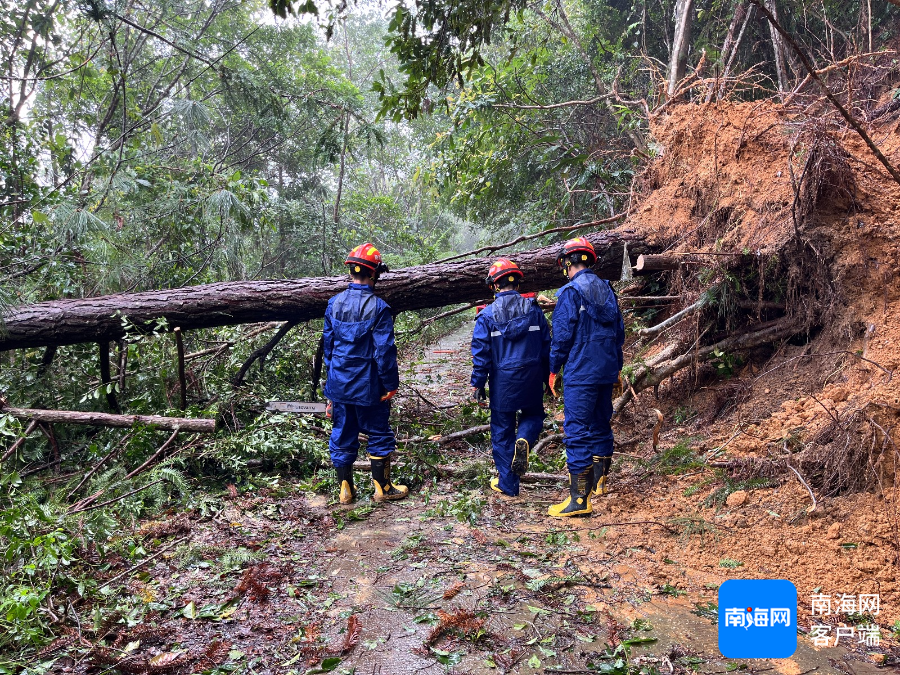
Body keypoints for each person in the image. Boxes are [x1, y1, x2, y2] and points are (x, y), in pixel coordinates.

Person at [323, 243, 408, 505]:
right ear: (375, 273)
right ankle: (382, 488)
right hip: (369, 386)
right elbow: (384, 351)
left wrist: (331, 389)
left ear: (351, 271)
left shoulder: (333, 304)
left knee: (342, 433)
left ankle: (345, 491)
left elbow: (329, 349)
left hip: (340, 384)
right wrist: (390, 384)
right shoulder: (380, 308)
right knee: (379, 432)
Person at [547, 237, 624, 517]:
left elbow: (562, 337)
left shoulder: (570, 292)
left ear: (568, 263)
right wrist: (617, 366)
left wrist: (553, 369)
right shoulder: (606, 289)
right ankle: (600, 483)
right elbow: (619, 333)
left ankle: (579, 499)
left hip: (581, 370)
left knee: (577, 429)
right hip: (605, 369)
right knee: (601, 422)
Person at [470, 258, 551, 498]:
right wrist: (548, 377)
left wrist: (477, 382)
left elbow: (481, 352)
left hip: (503, 383)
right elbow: (547, 346)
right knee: (534, 415)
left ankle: (508, 484)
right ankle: (524, 438)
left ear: (494, 286)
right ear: (517, 283)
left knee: (502, 431)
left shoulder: (486, 316)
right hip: (532, 377)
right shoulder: (534, 310)